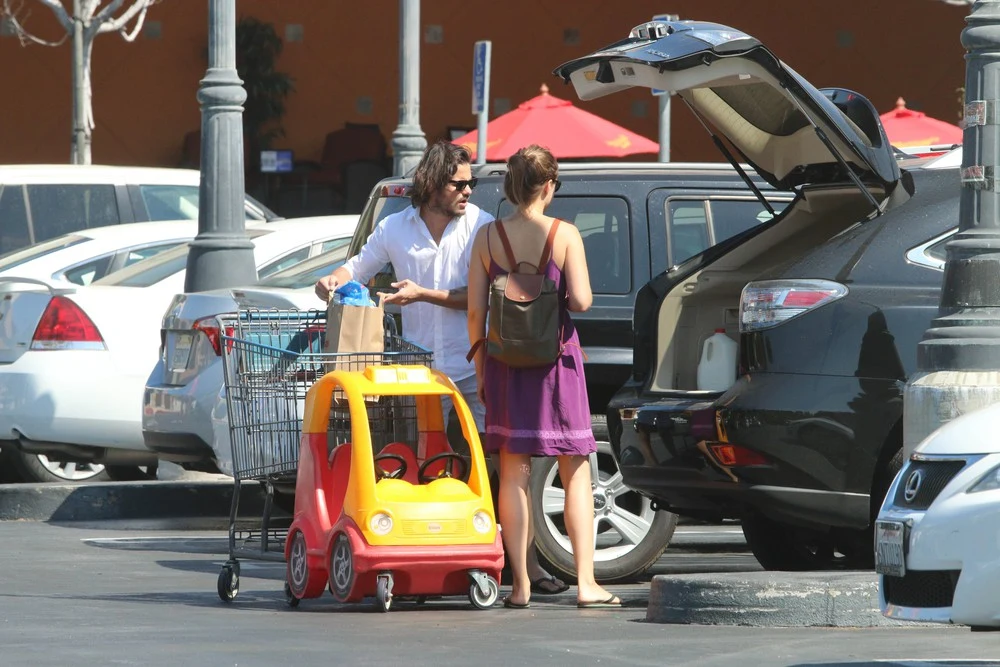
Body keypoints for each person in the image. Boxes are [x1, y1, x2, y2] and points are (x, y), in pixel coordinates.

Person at [315, 141, 568, 596]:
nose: (469, 190)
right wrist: (335, 279)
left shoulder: (484, 228)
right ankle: (430, 561)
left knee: (505, 471)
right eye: (459, 183)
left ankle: (527, 567)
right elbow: (359, 265)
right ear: (431, 183)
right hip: (415, 376)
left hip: (473, 370)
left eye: (472, 182)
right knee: (419, 473)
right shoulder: (395, 227)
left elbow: (486, 299)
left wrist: (423, 294)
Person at [467, 144, 621, 609]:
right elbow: (583, 301)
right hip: (557, 363)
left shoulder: (487, 237)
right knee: (575, 470)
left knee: (512, 471)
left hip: (504, 366)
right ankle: (587, 584)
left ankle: (520, 585)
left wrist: (479, 366)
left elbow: (476, 310)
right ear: (549, 185)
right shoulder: (565, 233)